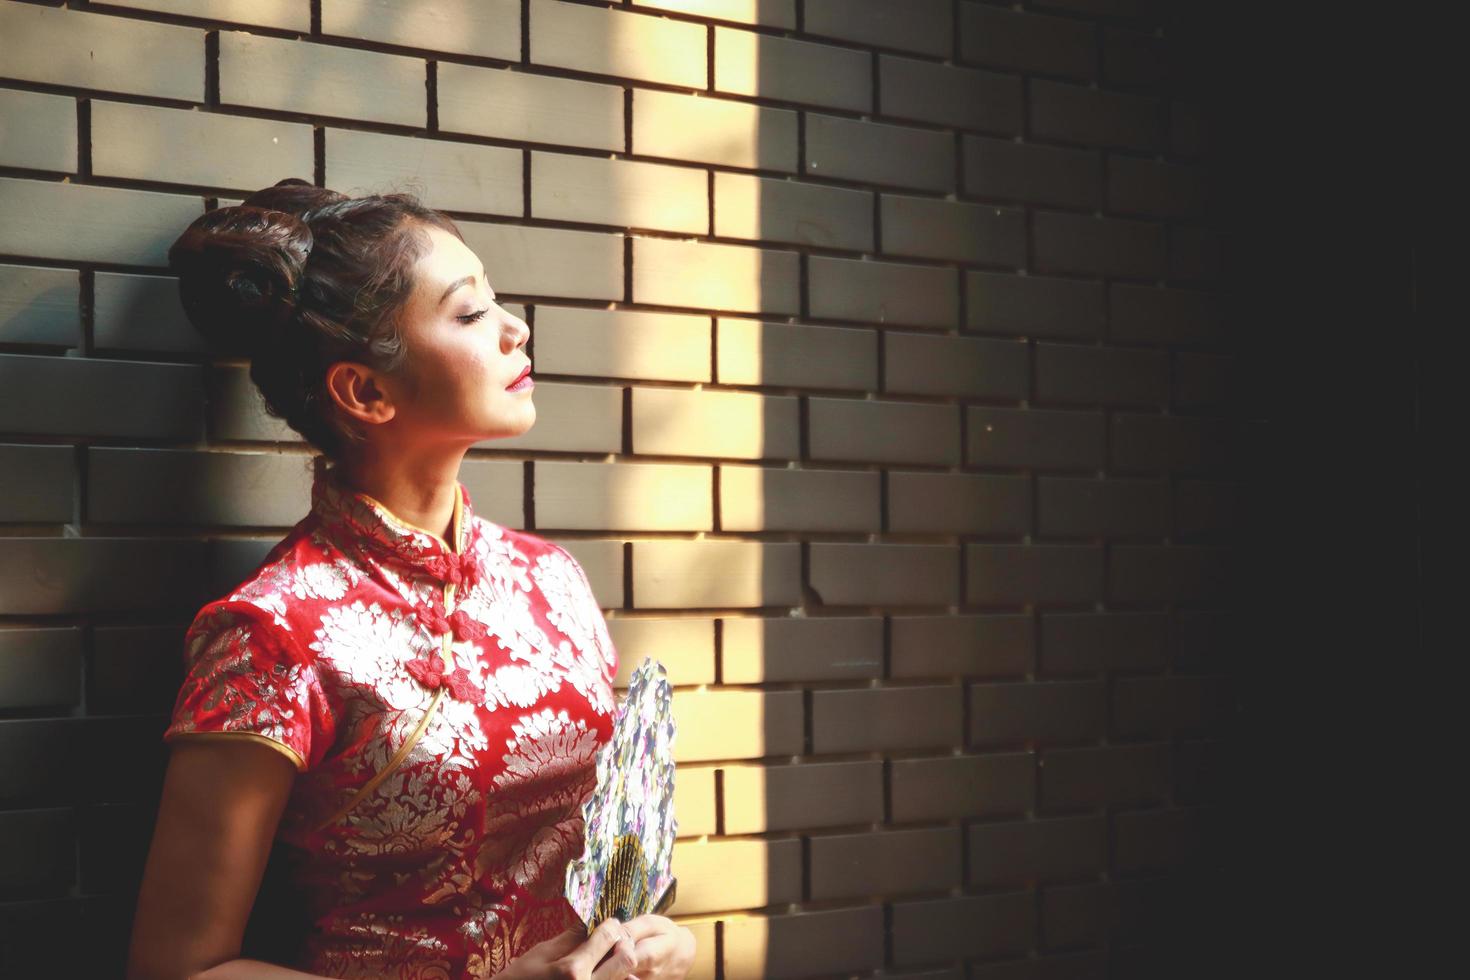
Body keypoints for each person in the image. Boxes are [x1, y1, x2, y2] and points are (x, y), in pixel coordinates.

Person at [125, 178, 696, 980]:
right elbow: (177, 969)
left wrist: (653, 937)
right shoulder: (274, 630)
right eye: (469, 313)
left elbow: (599, 852)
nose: (514, 328)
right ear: (365, 390)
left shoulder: (552, 580)